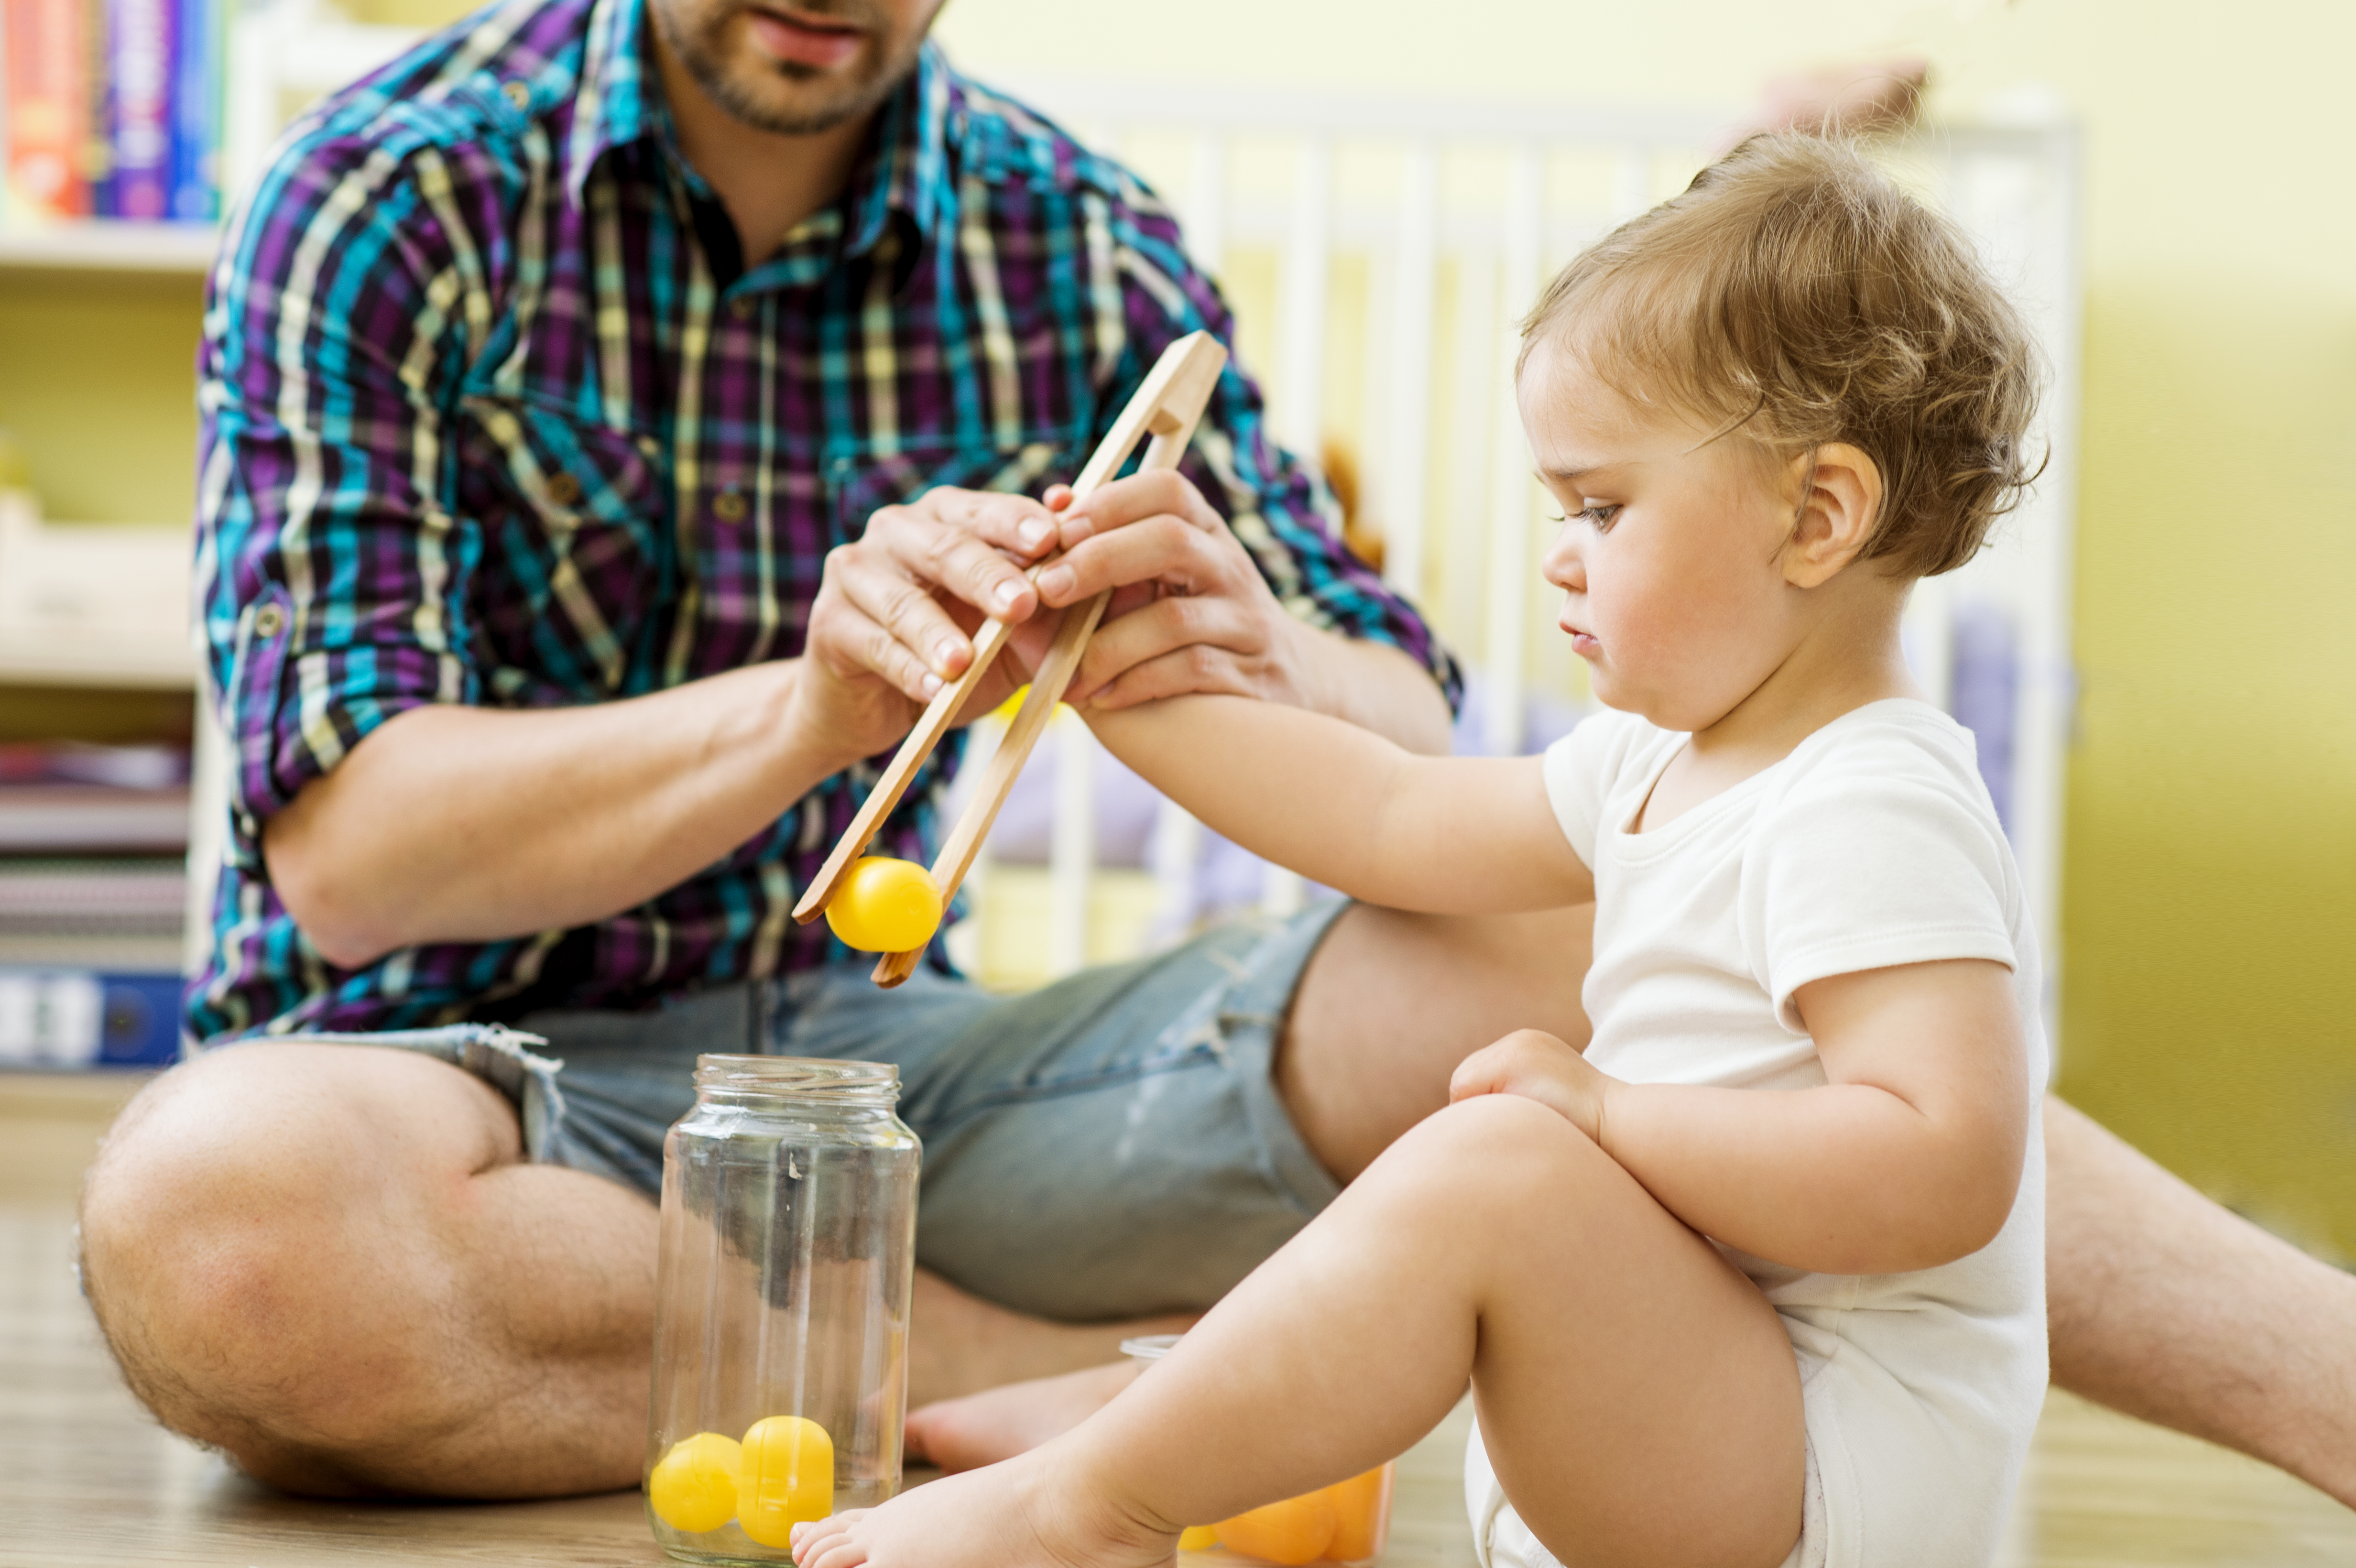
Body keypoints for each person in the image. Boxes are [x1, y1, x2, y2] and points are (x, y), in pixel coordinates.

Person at [70, 0, 2356, 1526]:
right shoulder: (388, 194)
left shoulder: (1064, 231)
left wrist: (1209, 654)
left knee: (1626, 900)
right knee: (223, 1233)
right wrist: (815, 709)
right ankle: (1163, 1392)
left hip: (897, 1069)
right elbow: (355, 859)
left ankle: (2319, 1377)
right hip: (447, 1083)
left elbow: (1401, 756)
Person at [788, 131, 2046, 1568]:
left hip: (1834, 1462)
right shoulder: (1661, 759)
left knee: (1504, 1164)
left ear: (1818, 517)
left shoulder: (1867, 799)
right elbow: (1385, 818)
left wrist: (1601, 1119)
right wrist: (1096, 674)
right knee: (1505, 1161)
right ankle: (1129, 1447)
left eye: (1603, 506)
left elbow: (1942, 1163)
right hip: (1720, 1413)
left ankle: (1088, 1511)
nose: (1563, 553)